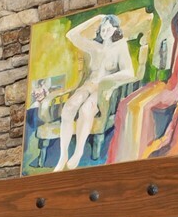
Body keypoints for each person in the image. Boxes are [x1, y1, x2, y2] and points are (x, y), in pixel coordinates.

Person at [54, 12, 136, 172]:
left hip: (103, 87)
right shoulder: (94, 47)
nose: (105, 32)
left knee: (86, 109)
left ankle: (78, 151)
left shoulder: (120, 46)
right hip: (89, 84)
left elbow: (129, 73)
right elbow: (71, 35)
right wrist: (96, 17)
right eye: (102, 29)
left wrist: (109, 81)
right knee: (69, 108)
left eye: (108, 29)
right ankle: (63, 155)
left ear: (115, 29)